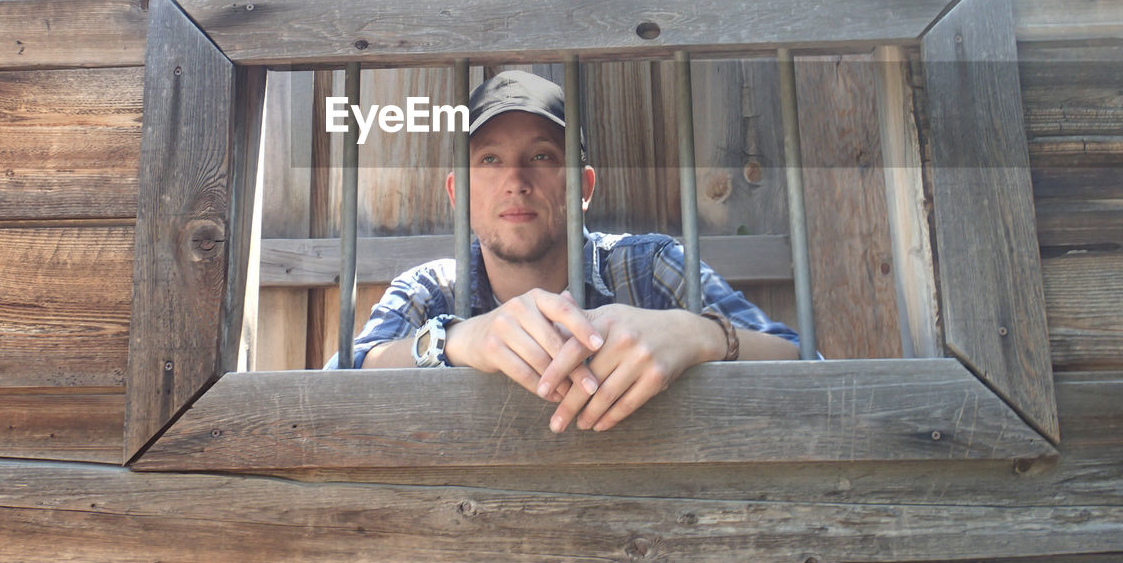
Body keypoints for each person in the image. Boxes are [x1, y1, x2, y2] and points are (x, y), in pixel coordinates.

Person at [331, 70, 801, 433]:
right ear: (459, 196)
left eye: (541, 157)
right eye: (489, 160)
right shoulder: (430, 289)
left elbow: (809, 366)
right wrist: (456, 341)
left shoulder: (650, 266)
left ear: (584, 186)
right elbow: (334, 385)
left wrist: (702, 337)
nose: (515, 181)